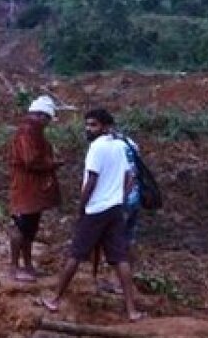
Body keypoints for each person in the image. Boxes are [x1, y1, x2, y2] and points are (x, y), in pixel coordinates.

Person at [39, 108, 144, 321]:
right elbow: (129, 177)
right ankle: (131, 310)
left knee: (76, 254)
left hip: (96, 209)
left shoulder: (96, 148)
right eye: (87, 125)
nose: (88, 129)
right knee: (120, 258)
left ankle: (55, 299)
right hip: (115, 208)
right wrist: (121, 200)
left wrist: (82, 207)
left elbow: (92, 180)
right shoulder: (120, 146)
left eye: (93, 125)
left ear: (105, 126)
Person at [7, 95, 62, 283]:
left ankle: (28, 265)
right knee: (21, 226)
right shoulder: (27, 132)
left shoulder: (34, 132)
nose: (47, 123)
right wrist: (52, 164)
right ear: (40, 115)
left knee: (29, 227)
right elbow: (30, 160)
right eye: (47, 119)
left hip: (32, 190)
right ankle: (14, 267)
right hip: (25, 188)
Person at [92, 128, 141, 294]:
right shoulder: (130, 143)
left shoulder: (112, 147)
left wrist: (120, 198)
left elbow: (127, 176)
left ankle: (113, 281)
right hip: (135, 198)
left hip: (119, 200)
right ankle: (124, 281)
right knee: (127, 239)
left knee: (111, 241)